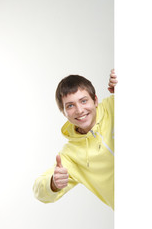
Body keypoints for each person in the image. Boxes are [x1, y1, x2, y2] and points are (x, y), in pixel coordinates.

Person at [33, 69, 117, 210]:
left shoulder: (114, 105)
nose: (79, 110)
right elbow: (38, 190)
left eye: (83, 101)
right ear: (64, 112)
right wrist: (53, 183)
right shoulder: (70, 155)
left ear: (95, 100)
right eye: (70, 106)